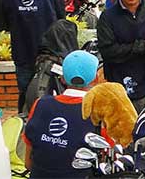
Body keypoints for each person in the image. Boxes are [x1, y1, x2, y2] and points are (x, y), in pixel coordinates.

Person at [0, 0, 64, 110]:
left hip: (24, 56)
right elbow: (61, 20)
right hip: (50, 56)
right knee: (52, 95)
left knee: (26, 98)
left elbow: (6, 23)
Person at [22, 50, 101, 179]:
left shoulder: (40, 104)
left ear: (62, 78)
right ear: (96, 79)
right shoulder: (98, 110)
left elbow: (28, 163)